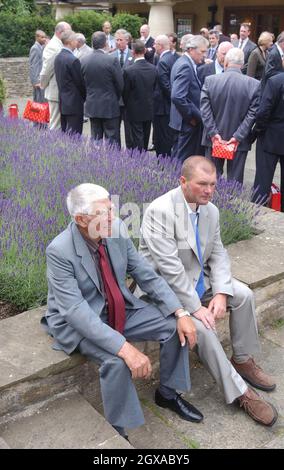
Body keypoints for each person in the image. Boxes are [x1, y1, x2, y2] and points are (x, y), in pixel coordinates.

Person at [41, 183, 203, 439]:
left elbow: (145, 274)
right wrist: (125, 348)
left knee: (174, 328)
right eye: (103, 212)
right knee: (116, 362)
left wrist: (180, 312)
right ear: (81, 219)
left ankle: (168, 394)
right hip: (82, 321)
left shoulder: (115, 229)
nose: (112, 216)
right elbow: (75, 311)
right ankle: (118, 431)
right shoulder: (59, 251)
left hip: (119, 307)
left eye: (111, 208)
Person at [139, 156, 278, 428]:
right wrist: (196, 307)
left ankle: (242, 360)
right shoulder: (160, 211)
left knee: (244, 294)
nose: (209, 190)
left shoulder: (210, 210)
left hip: (197, 280)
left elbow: (218, 253)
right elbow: (169, 270)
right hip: (164, 290)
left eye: (213, 184)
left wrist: (222, 293)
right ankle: (241, 393)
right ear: (183, 182)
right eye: (202, 184)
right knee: (201, 327)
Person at [200, 48, 260, 184]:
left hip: (214, 139)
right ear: (243, 64)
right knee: (235, 180)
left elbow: (205, 111)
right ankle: (232, 205)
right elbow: (252, 115)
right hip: (239, 141)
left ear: (226, 62)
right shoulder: (254, 85)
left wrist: (214, 133)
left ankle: (210, 204)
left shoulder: (210, 81)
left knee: (211, 177)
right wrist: (237, 136)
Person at [170, 35, 208, 162]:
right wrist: (190, 117)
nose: (204, 55)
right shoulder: (185, 65)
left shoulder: (184, 62)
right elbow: (177, 96)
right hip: (185, 123)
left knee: (179, 158)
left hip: (181, 121)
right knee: (182, 160)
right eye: (202, 51)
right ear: (191, 49)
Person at [80, 32, 123, 145]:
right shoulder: (112, 60)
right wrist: (115, 97)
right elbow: (120, 84)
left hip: (92, 105)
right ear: (106, 43)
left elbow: (82, 84)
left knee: (96, 139)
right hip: (110, 105)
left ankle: (96, 161)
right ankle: (112, 162)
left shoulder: (84, 60)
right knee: (112, 139)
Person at [253, 73, 284, 212]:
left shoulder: (275, 81)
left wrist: (258, 130)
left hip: (270, 136)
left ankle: (257, 213)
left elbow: (263, 111)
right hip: (271, 134)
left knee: (262, 180)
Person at [123, 40, 157, 152]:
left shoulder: (129, 70)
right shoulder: (153, 68)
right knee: (146, 134)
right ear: (145, 50)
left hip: (134, 108)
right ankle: (142, 156)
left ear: (133, 52)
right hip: (149, 107)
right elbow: (155, 89)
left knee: (137, 136)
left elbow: (125, 92)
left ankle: (138, 160)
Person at [40, 21, 72, 130]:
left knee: (62, 125)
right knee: (55, 125)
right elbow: (46, 71)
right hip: (55, 92)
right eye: (69, 31)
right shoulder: (53, 46)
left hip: (63, 92)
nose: (71, 34)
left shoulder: (61, 44)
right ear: (60, 32)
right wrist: (43, 85)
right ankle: (52, 146)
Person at [54, 31, 86, 135]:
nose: (77, 42)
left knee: (65, 133)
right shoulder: (73, 60)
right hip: (74, 103)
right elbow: (80, 83)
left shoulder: (58, 57)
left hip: (63, 101)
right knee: (75, 134)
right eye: (75, 40)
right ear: (69, 41)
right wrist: (84, 96)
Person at [153, 35, 178, 157]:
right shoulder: (173, 58)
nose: (153, 46)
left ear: (160, 46)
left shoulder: (163, 61)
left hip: (162, 107)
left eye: (155, 44)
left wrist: (173, 99)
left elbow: (165, 85)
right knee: (168, 137)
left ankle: (163, 164)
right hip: (168, 106)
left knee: (162, 138)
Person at [110, 29, 133, 149]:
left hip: (129, 100)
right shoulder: (110, 56)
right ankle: (116, 152)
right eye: (116, 40)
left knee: (129, 129)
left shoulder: (133, 55)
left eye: (121, 40)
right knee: (114, 128)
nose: (118, 42)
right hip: (115, 99)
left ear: (127, 41)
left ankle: (130, 153)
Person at [29, 29, 47, 104]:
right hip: (38, 81)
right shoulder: (35, 48)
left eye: (45, 37)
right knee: (38, 103)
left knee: (41, 102)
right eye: (42, 37)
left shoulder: (41, 47)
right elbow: (33, 66)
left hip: (41, 80)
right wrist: (35, 82)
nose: (44, 39)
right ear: (37, 37)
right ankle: (36, 116)